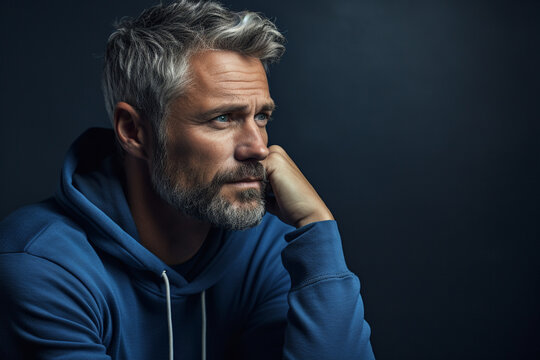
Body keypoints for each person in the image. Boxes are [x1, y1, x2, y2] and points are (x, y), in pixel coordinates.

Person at [0, 1, 375, 359]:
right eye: (223, 119)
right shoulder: (41, 265)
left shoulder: (273, 248)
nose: (258, 148)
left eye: (261, 116)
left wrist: (317, 229)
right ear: (134, 130)